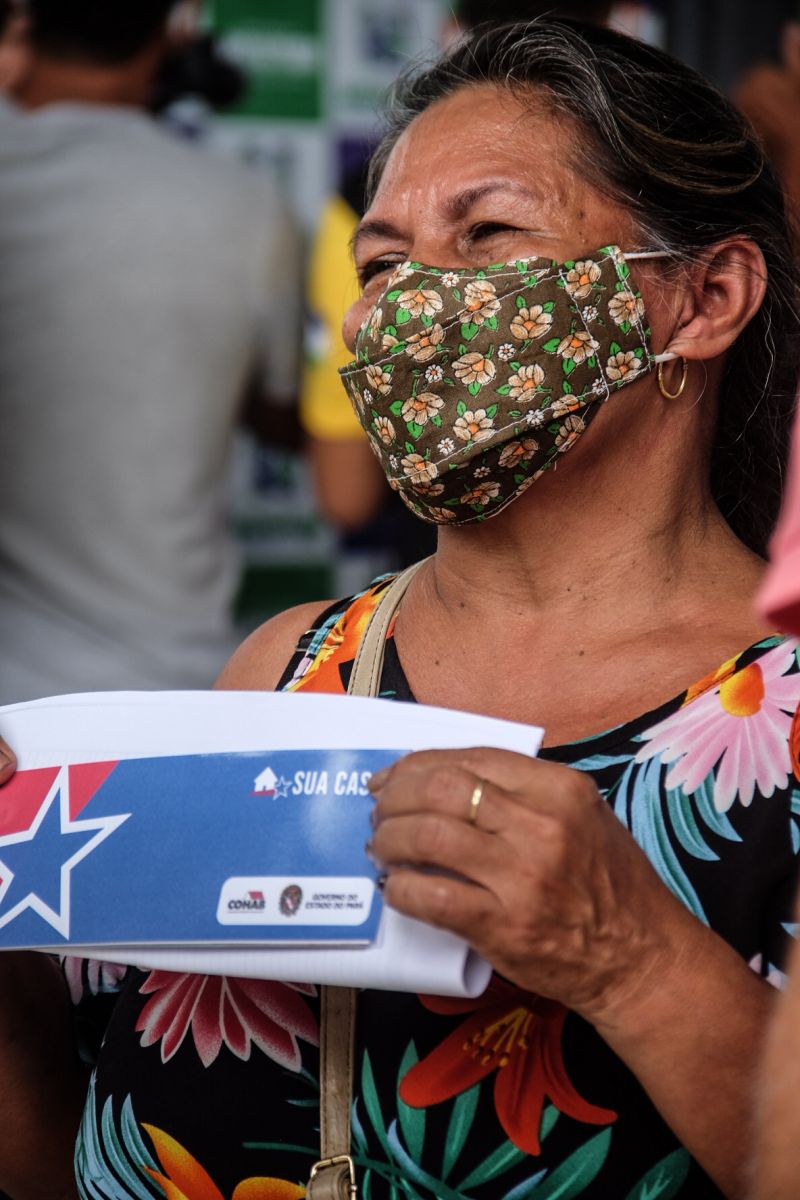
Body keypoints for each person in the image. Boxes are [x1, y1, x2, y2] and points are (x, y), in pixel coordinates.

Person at [1, 16, 800, 1200]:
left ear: (703, 297)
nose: (414, 303)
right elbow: (69, 1146)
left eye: (485, 234)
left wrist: (628, 959)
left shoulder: (776, 727)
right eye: (380, 265)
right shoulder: (290, 669)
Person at [0, 0, 301, 705]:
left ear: (25, 28)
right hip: (170, 691)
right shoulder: (246, 204)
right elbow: (284, 421)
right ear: (170, 36)